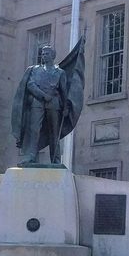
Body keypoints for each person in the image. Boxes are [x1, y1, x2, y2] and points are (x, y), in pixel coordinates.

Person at [11, 36, 86, 165]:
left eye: (46, 54)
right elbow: (30, 85)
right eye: (43, 53)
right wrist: (42, 95)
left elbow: (63, 91)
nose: (44, 55)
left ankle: (56, 159)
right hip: (37, 102)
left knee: (54, 132)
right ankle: (31, 156)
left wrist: (66, 107)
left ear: (52, 56)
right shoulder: (34, 70)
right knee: (34, 130)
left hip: (54, 104)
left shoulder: (60, 72)